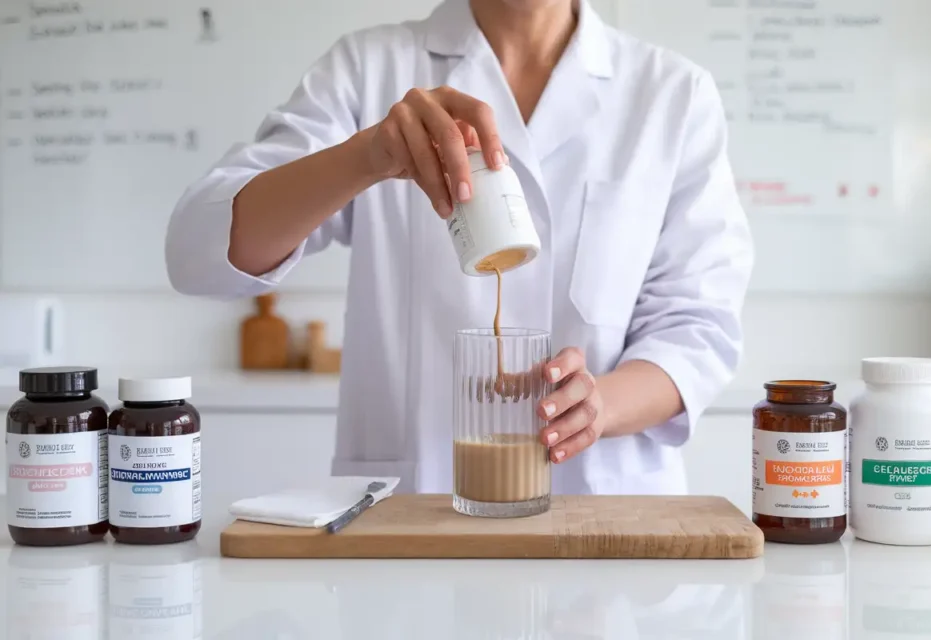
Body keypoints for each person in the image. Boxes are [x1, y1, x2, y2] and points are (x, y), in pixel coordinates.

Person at [165, 0, 754, 495]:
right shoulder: (369, 70)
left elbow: (697, 329)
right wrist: (363, 158)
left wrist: (601, 404)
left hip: (605, 520)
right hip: (414, 516)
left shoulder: (672, 95)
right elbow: (199, 252)